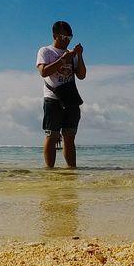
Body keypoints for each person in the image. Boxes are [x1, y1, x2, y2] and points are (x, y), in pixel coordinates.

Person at [37, 19, 86, 168]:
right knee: (51, 135)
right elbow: (43, 72)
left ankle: (71, 171)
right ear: (55, 35)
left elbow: (82, 75)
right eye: (63, 37)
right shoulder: (45, 51)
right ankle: (50, 171)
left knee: (69, 136)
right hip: (52, 99)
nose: (66, 41)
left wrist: (79, 55)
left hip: (71, 99)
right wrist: (61, 60)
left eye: (69, 38)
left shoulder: (73, 55)